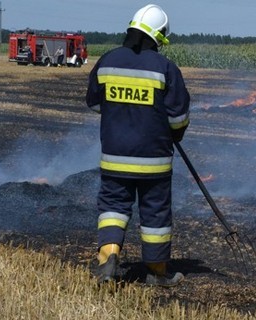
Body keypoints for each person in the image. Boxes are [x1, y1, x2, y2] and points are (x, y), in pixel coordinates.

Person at [86, 4, 190, 287]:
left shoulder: (107, 61)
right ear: (159, 37)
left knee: (113, 207)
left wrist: (121, 113)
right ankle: (157, 271)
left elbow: (95, 103)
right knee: (155, 214)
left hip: (114, 158)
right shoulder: (166, 68)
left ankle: (108, 258)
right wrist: (171, 132)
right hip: (154, 162)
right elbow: (178, 119)